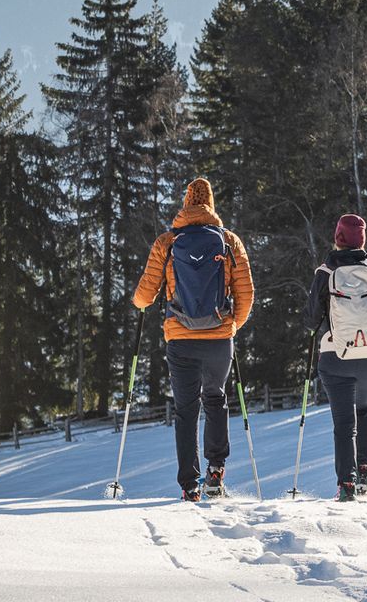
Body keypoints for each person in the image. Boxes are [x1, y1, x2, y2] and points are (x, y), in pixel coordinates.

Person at [132, 177, 253, 501]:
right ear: (211, 205)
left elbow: (144, 295)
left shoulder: (167, 242)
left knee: (186, 410)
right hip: (218, 338)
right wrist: (232, 325)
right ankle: (216, 472)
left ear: (186, 204)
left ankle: (190, 484)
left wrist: (141, 302)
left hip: (181, 339)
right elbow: (245, 292)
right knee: (215, 400)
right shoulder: (229, 241)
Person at [302, 213, 367, 501]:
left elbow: (310, 321)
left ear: (338, 238)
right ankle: (365, 475)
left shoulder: (324, 273)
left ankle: (346, 485)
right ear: (363, 239)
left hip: (335, 358)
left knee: (344, 422)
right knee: (365, 410)